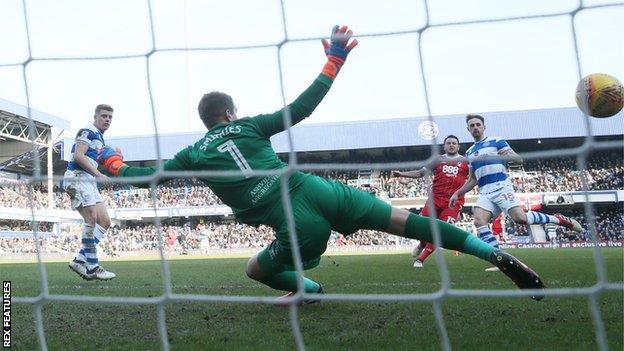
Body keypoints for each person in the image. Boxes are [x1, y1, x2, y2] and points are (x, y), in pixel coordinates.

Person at [97, 26, 545, 302]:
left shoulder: (192, 154)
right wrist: (334, 60)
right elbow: (302, 107)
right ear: (231, 113)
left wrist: (114, 165)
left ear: (206, 121)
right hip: (318, 189)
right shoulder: (251, 126)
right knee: (406, 222)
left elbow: (147, 179)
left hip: (296, 223)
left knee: (255, 269)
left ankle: (307, 289)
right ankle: (491, 252)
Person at [449, 114, 583, 256]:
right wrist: (458, 193)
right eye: (472, 126)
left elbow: (518, 160)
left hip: (501, 187)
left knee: (520, 218)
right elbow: (472, 179)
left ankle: (557, 219)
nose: (475, 127)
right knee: (479, 221)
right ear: (468, 129)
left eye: (478, 124)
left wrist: (505, 156)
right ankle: (500, 257)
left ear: (484, 127)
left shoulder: (497, 141)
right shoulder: (469, 152)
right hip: (485, 192)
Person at [391, 135, 469, 268]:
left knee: (441, 231)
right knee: (422, 226)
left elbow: (473, 178)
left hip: (453, 202)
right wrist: (401, 174)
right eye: (448, 143)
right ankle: (422, 244)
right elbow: (420, 173)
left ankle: (420, 260)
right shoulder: (438, 159)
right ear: (444, 146)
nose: (451, 145)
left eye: (454, 143)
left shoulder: (466, 161)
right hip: (435, 199)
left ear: (458, 146)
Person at [63, 104, 116, 280]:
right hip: (77, 177)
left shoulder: (100, 138)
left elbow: (93, 159)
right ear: (95, 117)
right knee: (91, 218)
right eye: (104, 116)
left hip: (88, 180)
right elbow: (79, 155)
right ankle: (92, 267)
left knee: (105, 221)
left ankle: (80, 259)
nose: (107, 119)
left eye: (110, 117)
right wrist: (100, 174)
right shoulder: (87, 130)